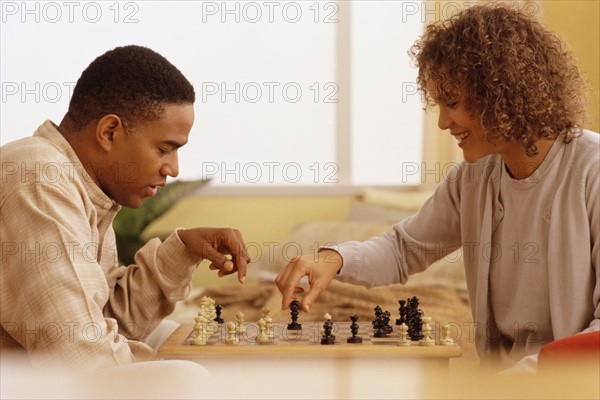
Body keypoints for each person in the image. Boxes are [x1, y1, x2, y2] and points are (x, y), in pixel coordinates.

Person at [275, 4, 599, 373]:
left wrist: (509, 386)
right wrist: (334, 258)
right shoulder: (473, 178)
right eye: (439, 104)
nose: (444, 122)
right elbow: (404, 249)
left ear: (503, 92)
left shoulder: (592, 171)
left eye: (453, 103)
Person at [0, 45, 249, 396]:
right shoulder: (41, 177)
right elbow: (77, 353)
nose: (173, 169)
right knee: (188, 378)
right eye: (165, 149)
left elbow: (109, 319)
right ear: (109, 132)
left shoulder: (82, 185)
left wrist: (182, 250)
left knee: (175, 339)